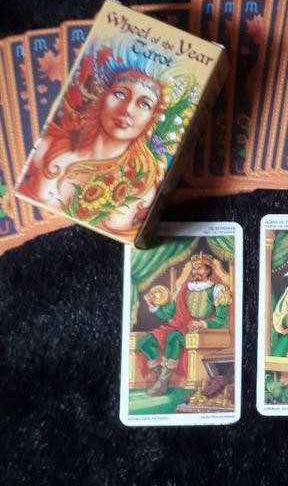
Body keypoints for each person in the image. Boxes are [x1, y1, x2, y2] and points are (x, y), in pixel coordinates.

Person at [17, 39, 198, 239]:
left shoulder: (142, 187)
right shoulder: (47, 148)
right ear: (102, 96)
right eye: (120, 94)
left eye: (144, 104)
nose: (127, 109)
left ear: (152, 118)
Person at [137, 252, 231, 397]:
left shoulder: (218, 290)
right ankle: (161, 375)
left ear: (208, 270)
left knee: (173, 337)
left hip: (201, 331)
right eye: (194, 268)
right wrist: (152, 304)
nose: (195, 271)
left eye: (199, 268)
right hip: (177, 326)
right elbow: (168, 315)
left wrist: (201, 323)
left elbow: (221, 320)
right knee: (144, 342)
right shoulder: (183, 289)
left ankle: (162, 382)